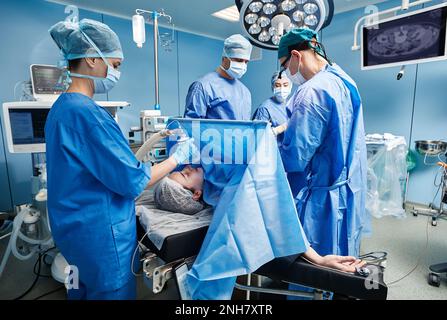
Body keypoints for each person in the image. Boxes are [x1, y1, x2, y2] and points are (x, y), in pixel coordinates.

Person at [45, 19, 199, 300]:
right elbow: (132, 181)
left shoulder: (61, 108)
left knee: (80, 288)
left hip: (73, 231)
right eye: (114, 65)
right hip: (101, 236)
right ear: (92, 59)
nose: (116, 72)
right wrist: (178, 159)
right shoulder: (87, 114)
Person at [153, 164, 365, 273]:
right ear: (196, 194)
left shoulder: (215, 179)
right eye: (185, 175)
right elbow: (275, 218)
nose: (187, 167)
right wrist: (318, 259)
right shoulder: (225, 196)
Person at [277, 28, 369, 258]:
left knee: (318, 266)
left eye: (284, 65)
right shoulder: (344, 80)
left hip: (323, 197)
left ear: (296, 56)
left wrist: (271, 146)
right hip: (349, 187)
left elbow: (295, 157)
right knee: (344, 253)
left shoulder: (311, 91)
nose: (286, 73)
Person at [184, 34, 253, 120]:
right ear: (224, 58)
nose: (243, 65)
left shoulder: (245, 92)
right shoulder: (203, 87)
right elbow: (192, 127)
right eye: (239, 60)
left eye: (246, 62)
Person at [252, 71, 292, 146]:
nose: (281, 89)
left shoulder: (291, 105)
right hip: (272, 153)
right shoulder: (265, 108)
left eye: (285, 85)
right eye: (277, 85)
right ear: (273, 87)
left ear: (290, 86)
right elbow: (258, 136)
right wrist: (280, 128)